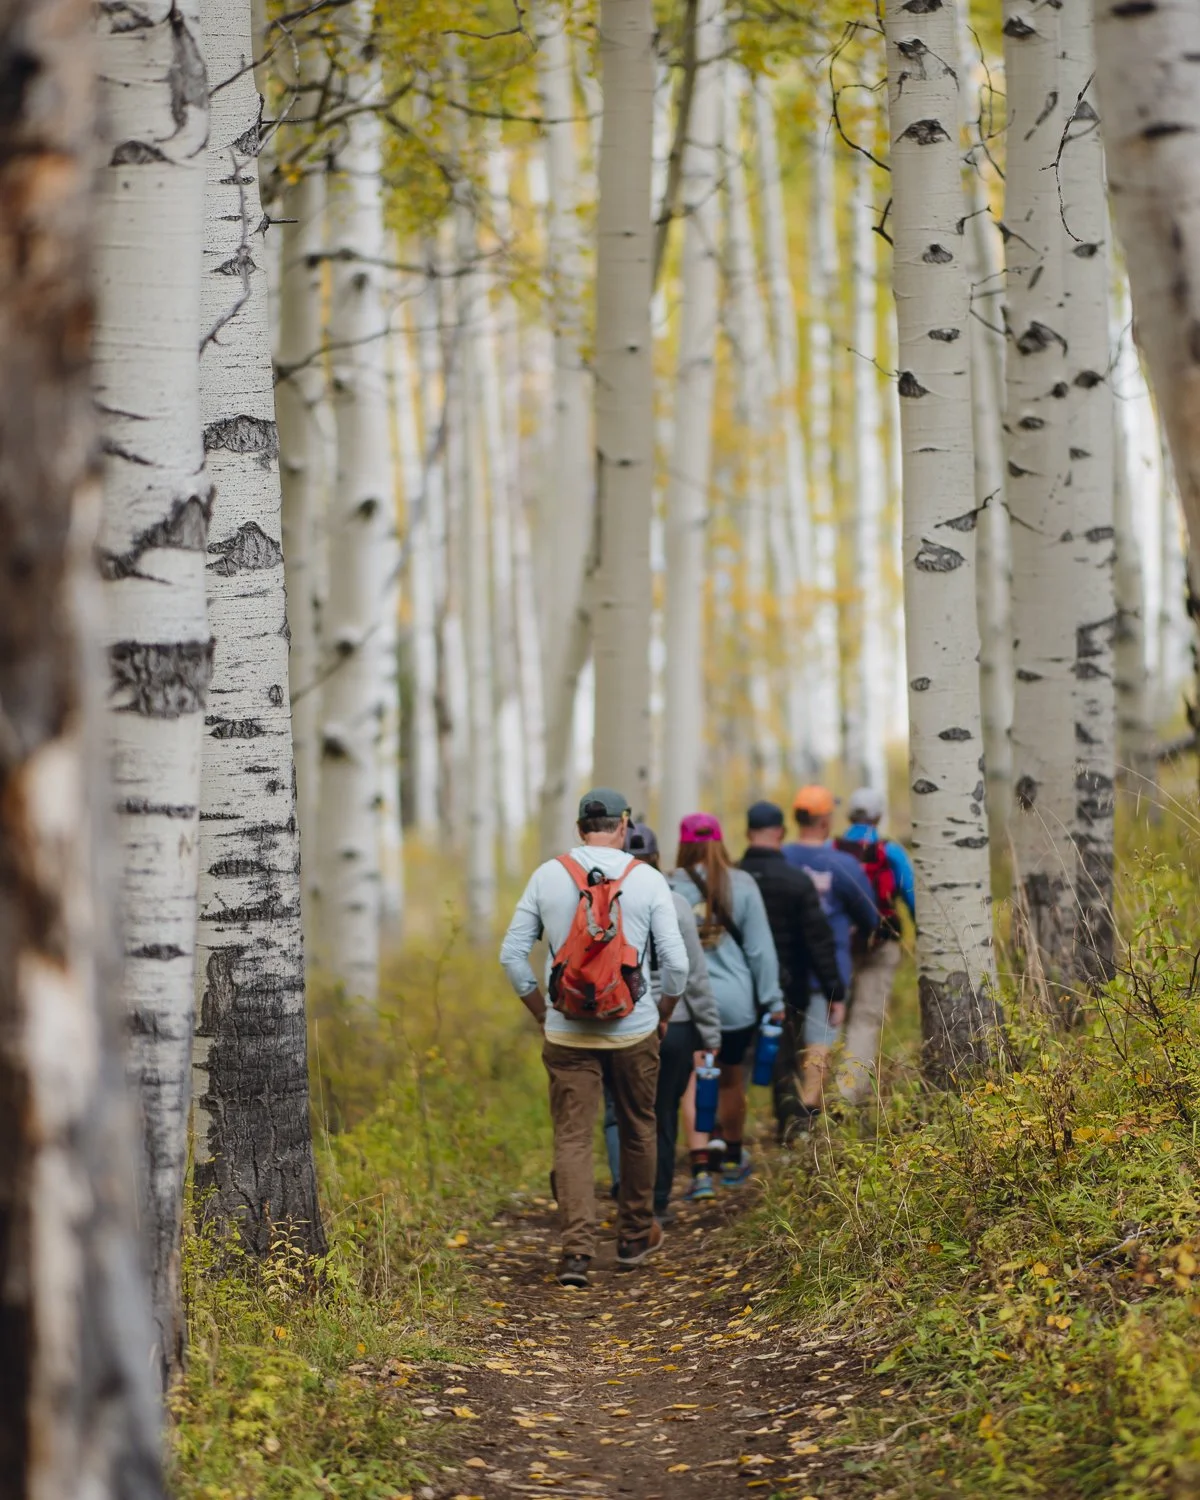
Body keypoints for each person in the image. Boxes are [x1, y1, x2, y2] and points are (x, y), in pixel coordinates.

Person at [499, 788, 689, 1289]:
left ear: (580, 825)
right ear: (623, 826)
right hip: (635, 1027)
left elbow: (511, 956)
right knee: (638, 1127)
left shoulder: (547, 875)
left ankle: (576, 1254)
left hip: (566, 1029)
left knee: (573, 1138)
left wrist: (541, 1012)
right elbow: (678, 963)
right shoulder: (647, 879)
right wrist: (663, 1011)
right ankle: (632, 1238)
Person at [668, 814, 782, 1187]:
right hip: (734, 1002)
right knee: (731, 1078)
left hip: (685, 1001)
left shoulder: (667, 886)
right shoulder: (743, 883)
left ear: (683, 844)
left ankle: (700, 1169)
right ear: (720, 842)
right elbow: (761, 950)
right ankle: (733, 1158)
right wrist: (772, 998)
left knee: (690, 1080)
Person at [623, 822, 722, 1222]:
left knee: (629, 1115)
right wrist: (711, 1032)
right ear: (658, 859)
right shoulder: (676, 903)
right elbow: (694, 975)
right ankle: (657, 1201)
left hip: (624, 1024)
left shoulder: (608, 903)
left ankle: (629, 1194)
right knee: (662, 1114)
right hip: (676, 1024)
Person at [738, 801, 846, 1142]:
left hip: (738, 987)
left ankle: (725, 1142)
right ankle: (790, 1131)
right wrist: (835, 991)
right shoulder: (797, 882)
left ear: (746, 833)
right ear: (781, 834)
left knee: (733, 1064)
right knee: (784, 1061)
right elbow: (819, 941)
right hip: (788, 988)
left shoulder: (733, 879)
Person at [782, 786, 880, 1128]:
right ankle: (808, 1115)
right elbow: (870, 916)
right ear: (825, 820)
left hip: (782, 971)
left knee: (786, 1047)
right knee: (819, 1044)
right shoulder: (842, 864)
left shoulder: (780, 858)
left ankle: (787, 1114)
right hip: (827, 972)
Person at [833, 787, 915, 1107]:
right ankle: (848, 1093)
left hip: (839, 945)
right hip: (880, 945)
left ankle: (819, 1086)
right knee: (865, 1017)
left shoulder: (833, 849)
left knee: (833, 1013)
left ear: (849, 815)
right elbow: (910, 896)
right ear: (879, 816)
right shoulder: (890, 852)